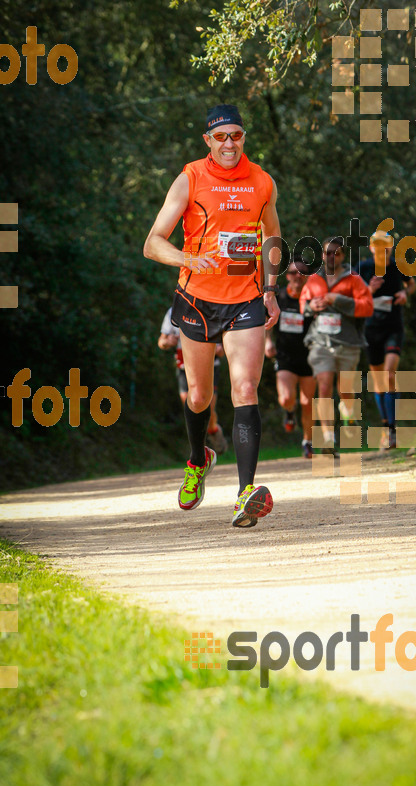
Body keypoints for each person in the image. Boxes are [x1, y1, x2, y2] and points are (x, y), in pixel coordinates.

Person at [144, 103, 280, 527]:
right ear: (208, 140)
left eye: (235, 135)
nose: (228, 144)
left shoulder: (262, 182)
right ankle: (198, 457)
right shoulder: (190, 179)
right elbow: (152, 242)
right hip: (197, 300)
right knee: (199, 396)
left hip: (245, 300)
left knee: (244, 387)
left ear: (244, 137)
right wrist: (186, 257)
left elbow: (273, 235)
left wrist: (271, 289)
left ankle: (245, 494)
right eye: (220, 137)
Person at [299, 237, 374, 455]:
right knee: (323, 386)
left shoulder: (353, 279)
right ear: (322, 255)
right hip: (321, 341)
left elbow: (367, 307)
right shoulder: (314, 279)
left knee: (345, 390)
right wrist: (311, 306)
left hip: (348, 343)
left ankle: (347, 410)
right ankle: (328, 439)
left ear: (343, 256)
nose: (332, 256)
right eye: (328, 252)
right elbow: (303, 304)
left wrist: (337, 299)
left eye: (337, 253)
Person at [357, 229, 416, 449]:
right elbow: (355, 296)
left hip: (393, 327)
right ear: (372, 247)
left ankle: (392, 428)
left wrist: (404, 294)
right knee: (379, 381)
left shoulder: (399, 266)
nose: (383, 249)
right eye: (378, 245)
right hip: (371, 328)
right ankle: (385, 429)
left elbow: (411, 284)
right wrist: (369, 291)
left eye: (387, 245)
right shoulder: (363, 268)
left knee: (390, 373)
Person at [158, 307, 228, 455]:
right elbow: (161, 341)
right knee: (191, 406)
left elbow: (223, 349)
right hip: (184, 368)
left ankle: (213, 430)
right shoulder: (173, 311)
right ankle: (199, 451)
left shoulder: (212, 308)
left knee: (207, 408)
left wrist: (219, 349)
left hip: (209, 367)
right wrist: (167, 342)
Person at [265, 261, 315, 458]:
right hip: (285, 356)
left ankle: (307, 441)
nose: (298, 276)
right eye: (294, 272)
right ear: (287, 276)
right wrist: (268, 342)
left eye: (303, 273)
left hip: (309, 357)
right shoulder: (279, 299)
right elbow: (266, 322)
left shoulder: (313, 299)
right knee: (286, 398)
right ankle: (289, 412)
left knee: (307, 402)